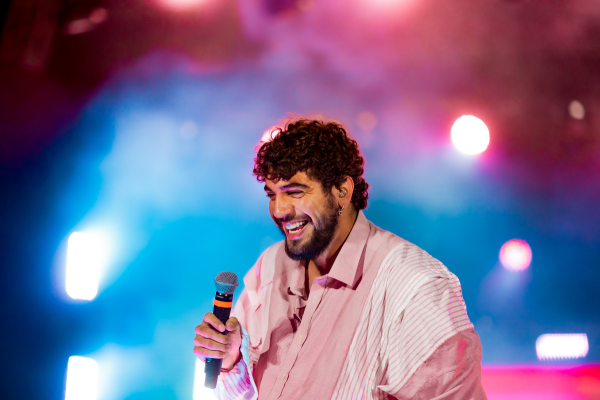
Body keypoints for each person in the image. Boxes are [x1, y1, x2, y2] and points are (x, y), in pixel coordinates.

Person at [194, 118, 487, 399]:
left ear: (342, 190)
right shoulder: (269, 267)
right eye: (272, 195)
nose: (279, 210)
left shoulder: (414, 287)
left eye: (294, 192)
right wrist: (231, 362)